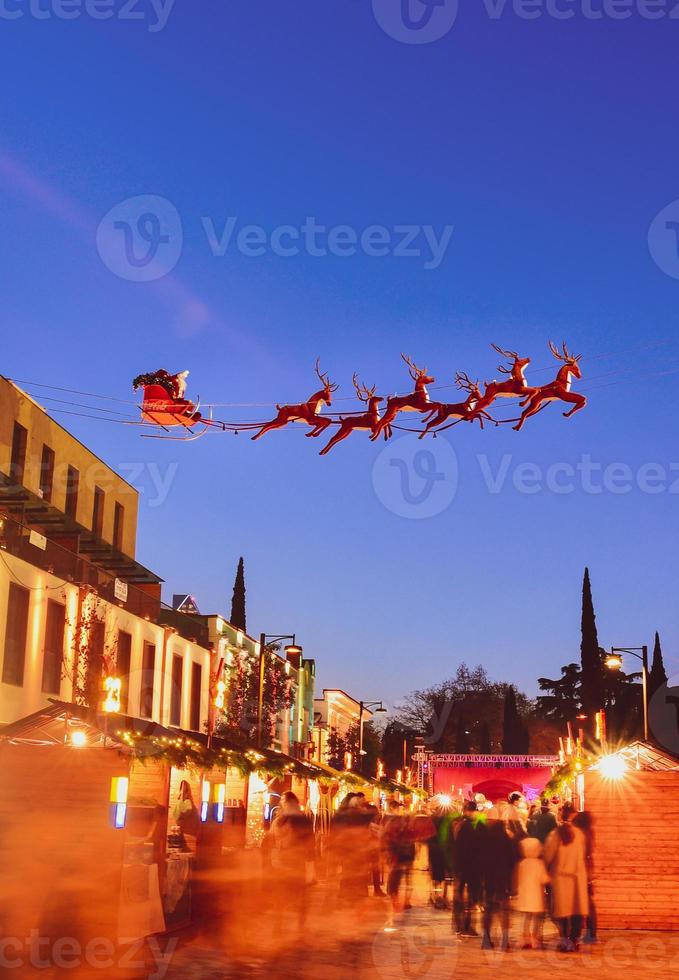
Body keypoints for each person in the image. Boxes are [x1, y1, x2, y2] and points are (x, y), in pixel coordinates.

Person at [543, 805, 589, 952]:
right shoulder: (580, 834)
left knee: (562, 912)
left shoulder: (555, 834)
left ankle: (564, 941)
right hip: (577, 877)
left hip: (561, 878)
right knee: (576, 912)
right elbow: (583, 854)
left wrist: (545, 868)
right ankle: (575, 940)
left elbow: (548, 855)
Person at [270, 791, 315, 928]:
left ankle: (295, 925)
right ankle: (282, 925)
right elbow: (272, 840)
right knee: (285, 896)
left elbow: (309, 844)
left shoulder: (298, 821)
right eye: (283, 800)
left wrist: (310, 867)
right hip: (285, 863)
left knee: (297, 896)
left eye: (286, 801)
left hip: (294, 863)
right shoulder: (279, 821)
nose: (284, 803)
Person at [480, 814, 518, 951]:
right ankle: (505, 941)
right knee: (504, 910)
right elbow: (513, 859)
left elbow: (481, 861)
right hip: (503, 879)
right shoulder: (507, 840)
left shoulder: (486, 841)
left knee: (488, 909)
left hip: (489, 879)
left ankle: (486, 939)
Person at [452, 801, 484, 937]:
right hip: (470, 866)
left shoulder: (458, 825)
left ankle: (458, 925)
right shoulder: (469, 827)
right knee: (470, 896)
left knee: (459, 895)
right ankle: (466, 925)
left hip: (460, 866)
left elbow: (455, 846)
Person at [514, 836, 550, 949]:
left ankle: (525, 938)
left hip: (524, 895)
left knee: (526, 917)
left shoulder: (522, 863)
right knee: (536, 918)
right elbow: (544, 879)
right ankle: (535, 939)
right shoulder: (539, 864)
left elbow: (517, 878)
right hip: (536, 897)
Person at [572, 810, 597, 944]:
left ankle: (579, 934)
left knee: (580, 903)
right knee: (589, 904)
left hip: (579, 871)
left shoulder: (579, 834)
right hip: (587, 870)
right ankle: (590, 933)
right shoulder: (589, 833)